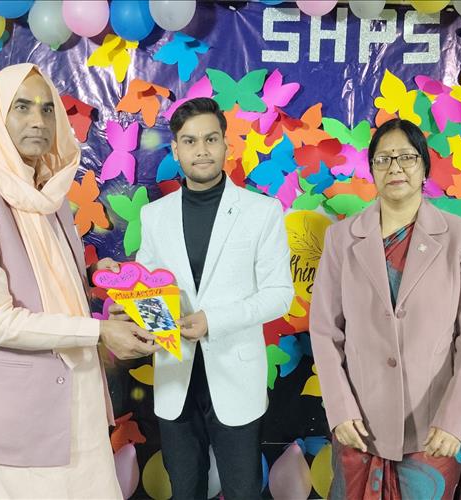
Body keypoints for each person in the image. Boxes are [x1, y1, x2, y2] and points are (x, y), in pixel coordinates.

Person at [0, 64, 159, 498]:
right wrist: (100, 332)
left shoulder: (47, 195)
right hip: (12, 419)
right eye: (22, 107)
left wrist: (92, 276)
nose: (38, 120)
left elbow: (41, 277)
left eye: (47, 108)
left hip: (76, 400)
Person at [310, 118, 461, 499]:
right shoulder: (342, 239)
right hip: (360, 424)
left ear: (425, 167)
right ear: (372, 169)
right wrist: (340, 410)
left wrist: (454, 418)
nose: (395, 167)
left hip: (435, 427)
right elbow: (325, 331)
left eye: (407, 157)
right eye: (383, 159)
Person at [122, 97, 294, 499]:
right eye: (190, 141)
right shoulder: (155, 215)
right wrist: (128, 296)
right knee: (185, 490)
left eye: (210, 139)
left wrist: (212, 320)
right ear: (175, 149)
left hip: (236, 377)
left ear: (225, 144)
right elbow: (147, 288)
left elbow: (279, 295)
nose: (201, 150)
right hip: (174, 376)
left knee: (243, 490)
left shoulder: (262, 211)